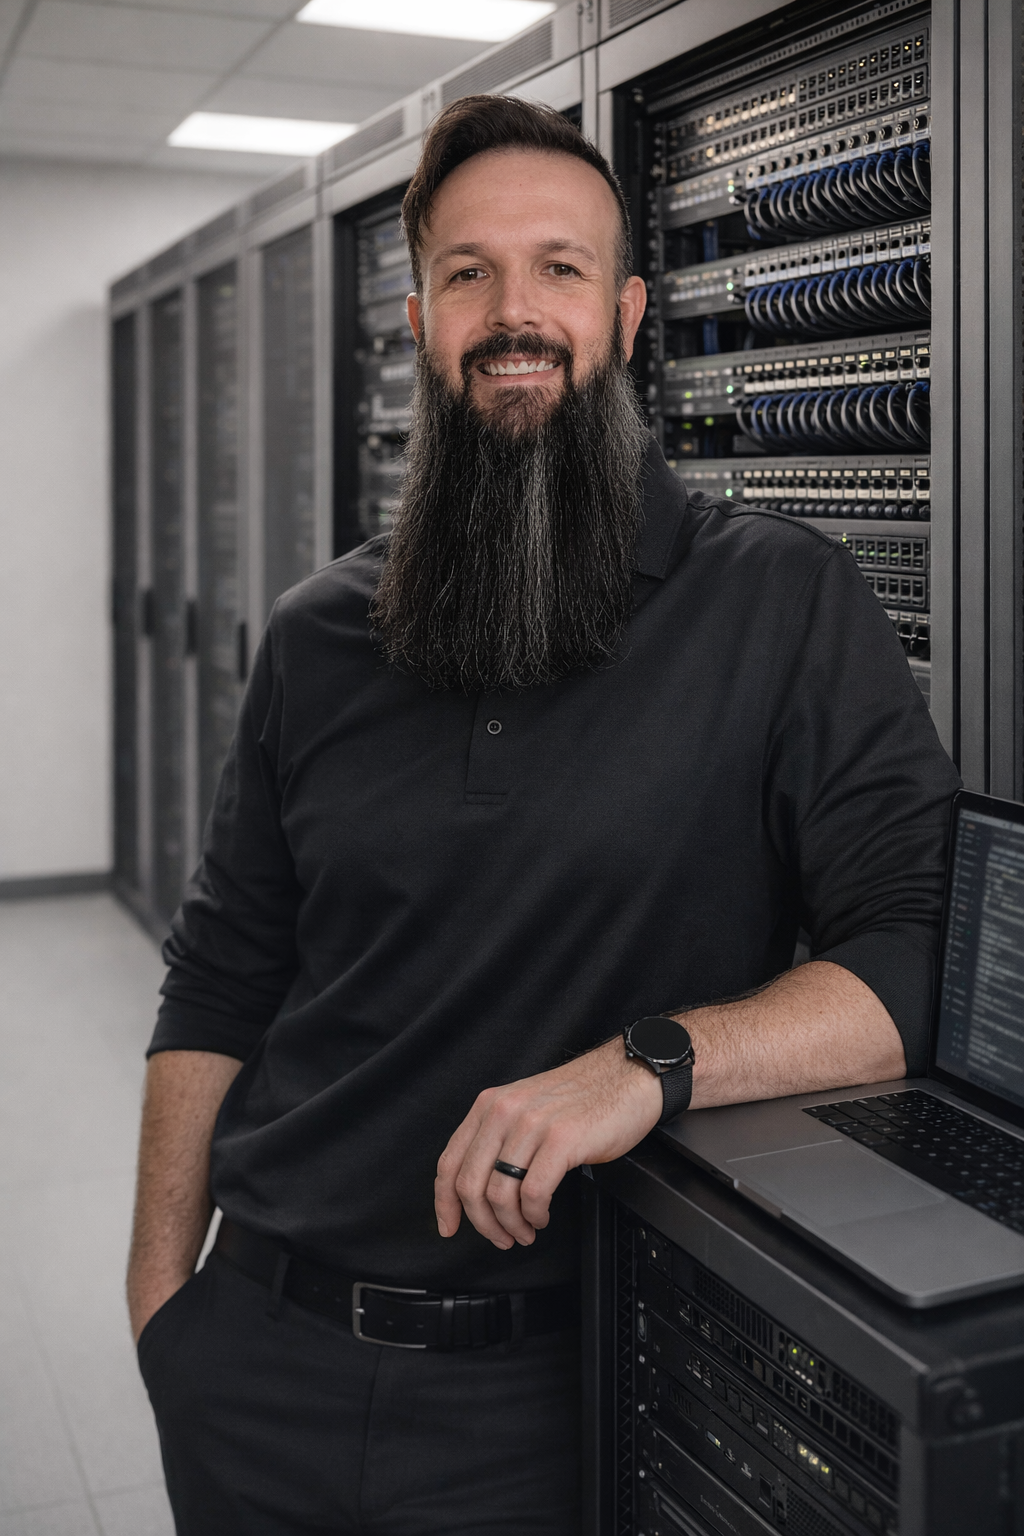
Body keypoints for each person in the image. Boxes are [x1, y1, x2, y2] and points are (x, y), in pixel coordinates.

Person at [127, 95, 960, 1535]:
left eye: (560, 269)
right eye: (471, 273)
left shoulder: (776, 600)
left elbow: (913, 958)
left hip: (562, 1393)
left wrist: (643, 1064)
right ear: (420, 316)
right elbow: (222, 976)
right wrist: (161, 1312)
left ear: (629, 313)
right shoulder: (319, 630)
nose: (517, 314)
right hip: (262, 1363)